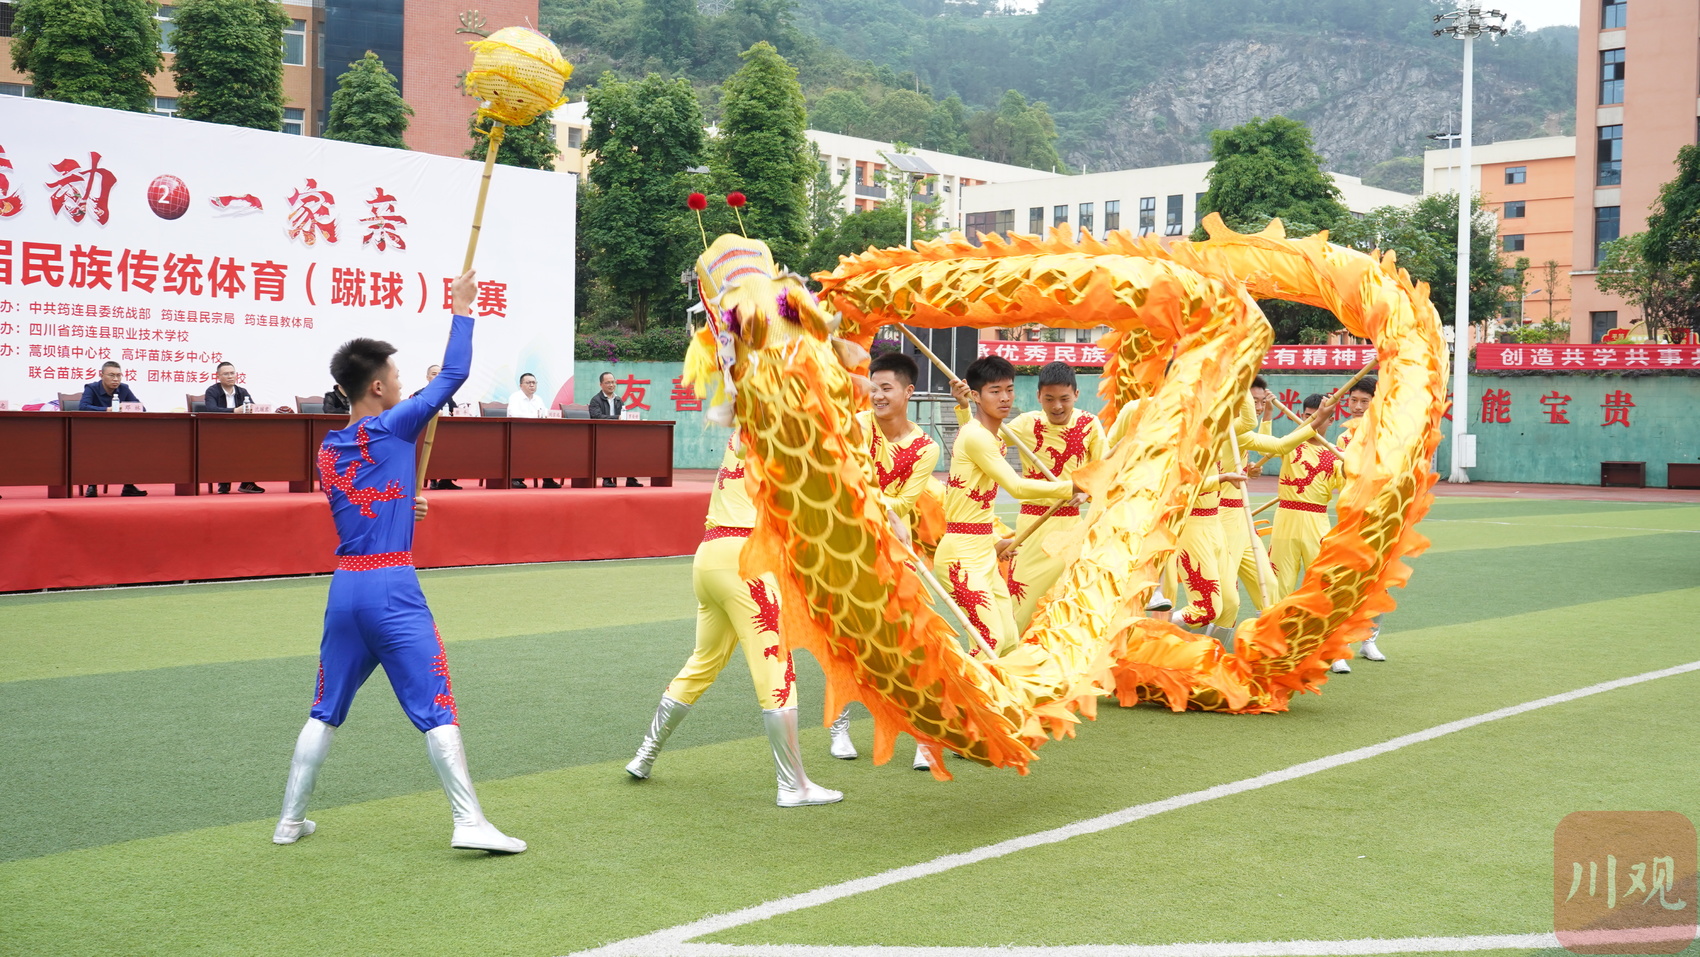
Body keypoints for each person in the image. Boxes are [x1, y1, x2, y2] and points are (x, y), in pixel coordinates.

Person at [272, 269, 525, 854]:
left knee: (325, 709)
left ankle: (289, 820)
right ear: (378, 387)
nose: (404, 386)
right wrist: (462, 308)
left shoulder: (328, 450)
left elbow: (362, 499)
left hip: (345, 591)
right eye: (398, 378)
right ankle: (468, 821)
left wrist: (404, 501)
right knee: (436, 705)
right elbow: (454, 377)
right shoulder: (394, 425)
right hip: (391, 587)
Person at [625, 436, 842, 807]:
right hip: (747, 559)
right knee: (776, 669)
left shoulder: (749, 432)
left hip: (710, 556)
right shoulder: (786, 437)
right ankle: (793, 785)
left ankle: (644, 755)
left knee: (703, 662)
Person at [828, 352, 940, 762]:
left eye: (886, 388)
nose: (877, 395)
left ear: (908, 392)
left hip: (895, 551)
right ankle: (840, 726)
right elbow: (842, 479)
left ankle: (924, 735)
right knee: (848, 642)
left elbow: (904, 503)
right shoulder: (856, 426)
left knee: (912, 643)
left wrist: (869, 499)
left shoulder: (926, 448)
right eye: (872, 387)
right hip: (848, 549)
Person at [1004, 361, 1102, 634]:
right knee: (1019, 603)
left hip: (1071, 528)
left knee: (1065, 603)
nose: (1057, 406)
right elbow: (983, 440)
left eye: (1064, 399)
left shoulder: (1089, 424)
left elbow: (1104, 471)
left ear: (1076, 395)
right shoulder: (1025, 424)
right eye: (1049, 399)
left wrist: (1088, 491)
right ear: (1038, 396)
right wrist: (965, 408)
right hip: (1031, 526)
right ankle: (1010, 652)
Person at [79, 361, 147, 497]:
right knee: (95, 447)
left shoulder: (124, 389)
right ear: (101, 375)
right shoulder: (91, 388)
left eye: (118, 375)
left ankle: (128, 486)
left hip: (118, 433)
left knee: (133, 445)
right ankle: (92, 485)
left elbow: (141, 408)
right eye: (111, 375)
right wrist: (106, 410)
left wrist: (127, 407)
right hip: (94, 433)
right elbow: (83, 407)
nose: (116, 379)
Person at [203, 361, 265, 494]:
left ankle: (247, 482)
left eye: (232, 373)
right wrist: (234, 411)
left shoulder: (242, 391)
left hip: (240, 431)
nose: (230, 376)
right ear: (218, 376)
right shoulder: (212, 391)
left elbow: (253, 407)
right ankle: (224, 481)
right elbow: (211, 409)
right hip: (218, 431)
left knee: (254, 444)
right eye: (226, 374)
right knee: (226, 445)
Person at [504, 373, 561, 488]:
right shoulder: (515, 397)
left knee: (549, 446)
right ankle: (516, 479)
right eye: (528, 383)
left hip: (537, 433)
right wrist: (535, 417)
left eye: (534, 383)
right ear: (521, 385)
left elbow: (544, 413)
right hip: (518, 433)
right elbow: (514, 414)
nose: (532, 385)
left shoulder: (538, 399)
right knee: (524, 446)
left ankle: (548, 480)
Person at [587, 371, 641, 488]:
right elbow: (596, 417)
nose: (611, 385)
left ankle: (630, 478)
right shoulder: (595, 400)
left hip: (617, 434)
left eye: (613, 382)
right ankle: (607, 478)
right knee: (609, 446)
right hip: (601, 434)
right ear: (601, 385)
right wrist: (616, 418)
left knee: (632, 445)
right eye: (608, 383)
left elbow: (623, 416)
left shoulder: (618, 400)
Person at [418, 366, 462, 491]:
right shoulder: (420, 393)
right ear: (427, 377)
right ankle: (433, 479)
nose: (437, 376)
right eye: (433, 374)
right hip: (426, 433)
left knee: (455, 445)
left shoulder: (447, 394)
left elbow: (455, 409)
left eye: (439, 374)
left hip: (446, 431)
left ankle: (446, 480)